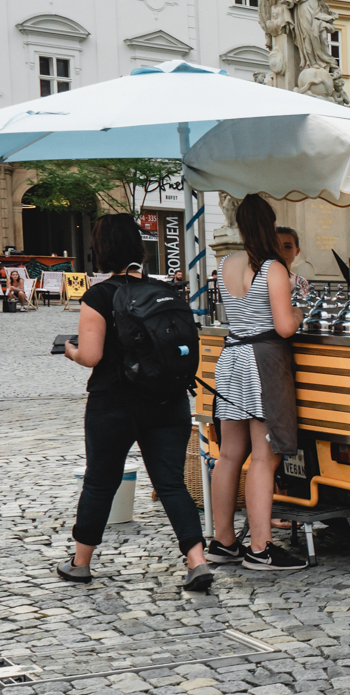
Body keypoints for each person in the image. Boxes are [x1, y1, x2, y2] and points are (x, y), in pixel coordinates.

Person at [58, 214, 213, 591]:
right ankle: (197, 561)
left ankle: (80, 563)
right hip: (167, 400)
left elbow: (92, 356)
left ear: (101, 250)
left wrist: (70, 351)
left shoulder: (98, 296)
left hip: (114, 403)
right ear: (137, 248)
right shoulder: (166, 293)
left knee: (100, 482)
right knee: (172, 483)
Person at [206, 195, 306, 571]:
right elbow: (283, 326)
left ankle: (223, 540)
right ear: (269, 223)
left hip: (231, 358)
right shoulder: (273, 269)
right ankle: (261, 548)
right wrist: (297, 310)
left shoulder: (225, 264)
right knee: (265, 454)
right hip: (261, 361)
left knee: (230, 454)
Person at [275, 225, 315, 291]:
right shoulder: (259, 280)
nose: (281, 251)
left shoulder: (301, 282)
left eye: (287, 247)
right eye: (276, 246)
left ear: (297, 251)